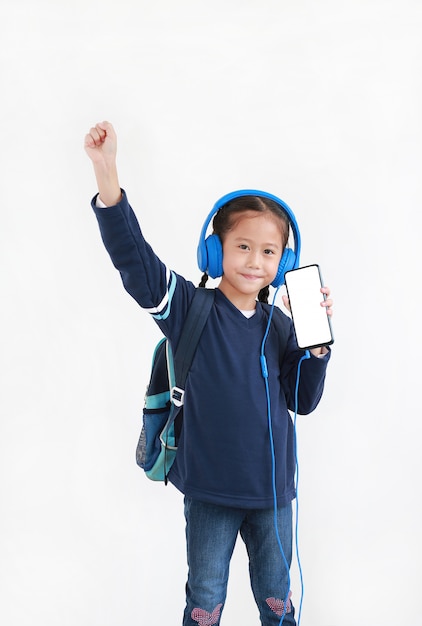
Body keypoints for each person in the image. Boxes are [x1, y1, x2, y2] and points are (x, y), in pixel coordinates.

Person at [84, 121, 333, 626]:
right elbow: (135, 263)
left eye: (268, 252)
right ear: (214, 250)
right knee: (205, 604)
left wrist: (319, 349)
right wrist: (107, 175)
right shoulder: (189, 308)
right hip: (210, 494)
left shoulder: (283, 326)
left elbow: (303, 402)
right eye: (242, 246)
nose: (254, 261)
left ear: (284, 264)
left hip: (272, 497)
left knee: (277, 602)